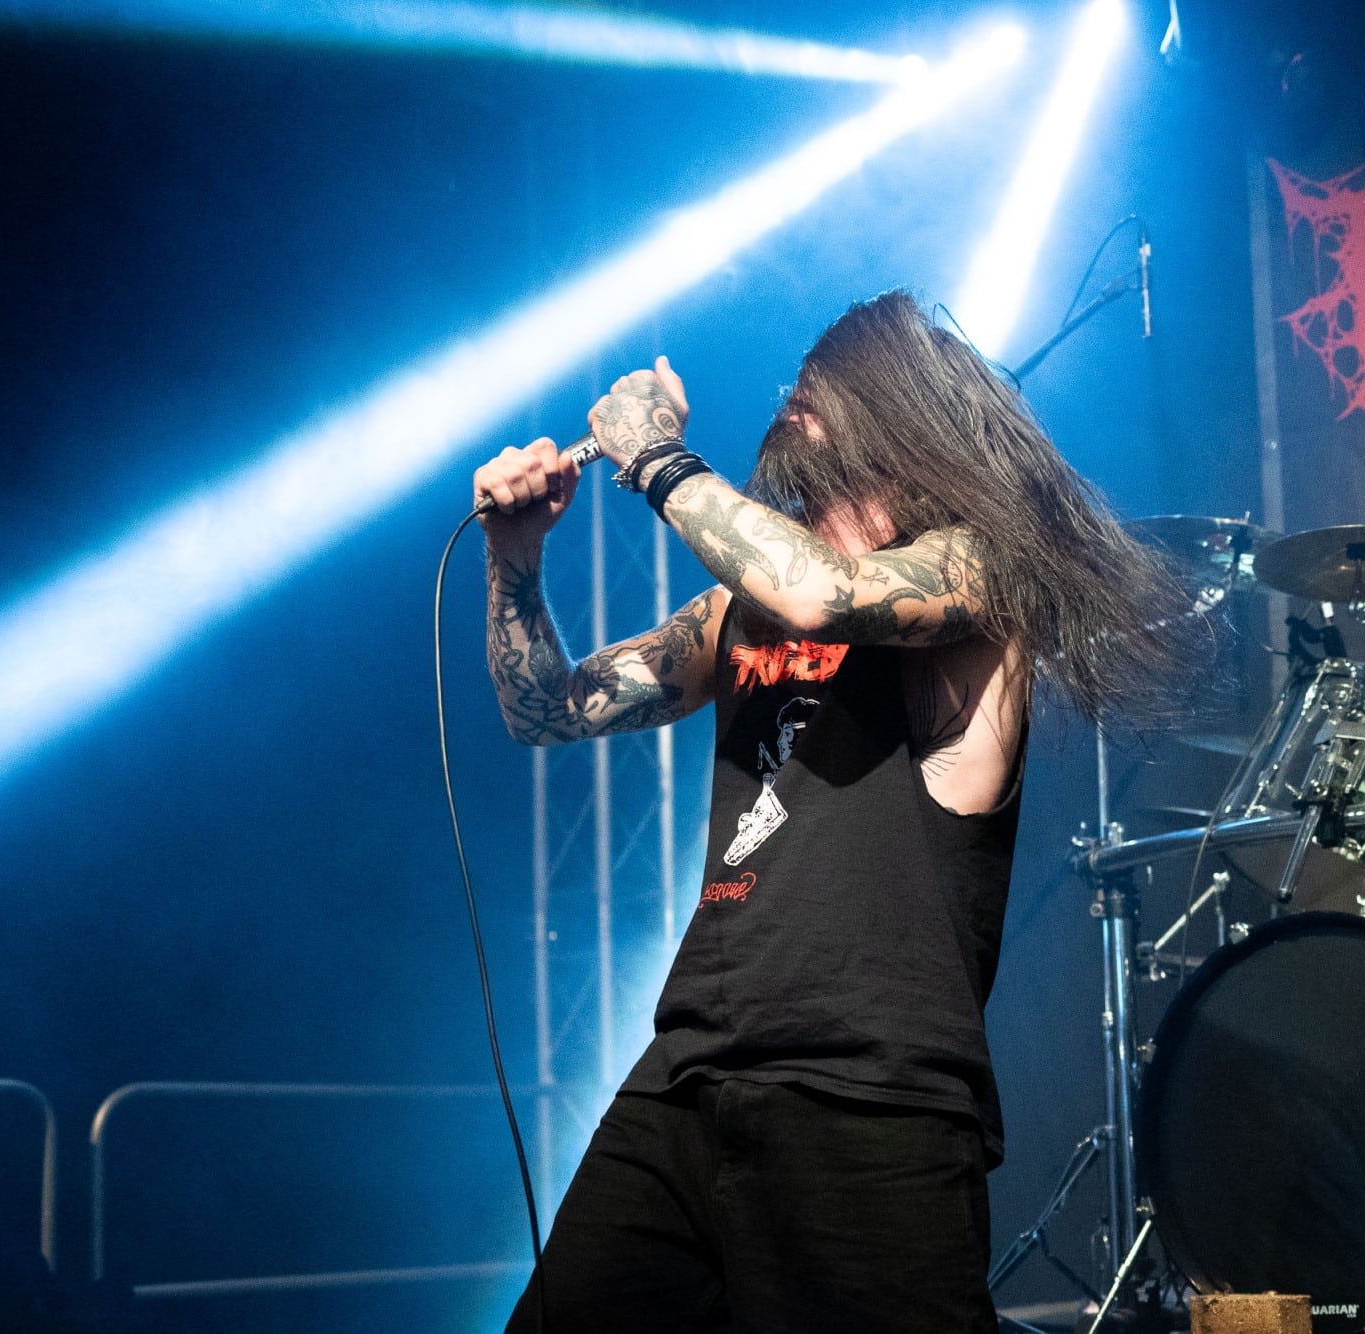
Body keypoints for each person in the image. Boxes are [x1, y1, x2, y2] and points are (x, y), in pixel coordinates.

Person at [473, 291, 1197, 1332]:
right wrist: (515, 556)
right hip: (688, 1075)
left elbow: (823, 594)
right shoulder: (737, 611)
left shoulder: (976, 570)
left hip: (867, 1094)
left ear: (890, 405)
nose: (791, 398)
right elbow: (548, 709)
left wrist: (657, 459)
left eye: (817, 384)